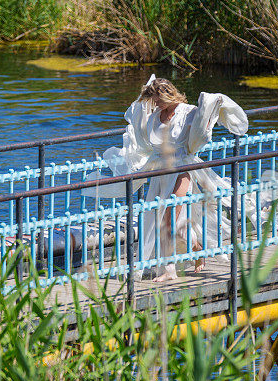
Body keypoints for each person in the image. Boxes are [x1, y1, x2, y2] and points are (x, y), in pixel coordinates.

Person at [86, 74, 250, 282]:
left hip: (182, 170)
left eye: (158, 99)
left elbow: (203, 125)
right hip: (159, 174)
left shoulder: (188, 113)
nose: (155, 103)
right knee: (163, 223)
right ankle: (198, 249)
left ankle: (169, 270)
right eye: (153, 99)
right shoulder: (155, 117)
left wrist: (213, 104)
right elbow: (146, 140)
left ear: (169, 94)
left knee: (169, 220)